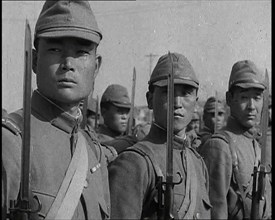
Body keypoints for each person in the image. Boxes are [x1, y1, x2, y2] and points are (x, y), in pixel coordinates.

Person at [2, 1, 110, 219]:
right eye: (54, 49)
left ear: (96, 67)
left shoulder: (93, 150)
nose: (68, 63)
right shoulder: (11, 142)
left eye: (81, 52)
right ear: (34, 60)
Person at [108, 52, 211, 219]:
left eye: (186, 93)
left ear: (196, 100)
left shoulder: (198, 163)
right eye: (167, 92)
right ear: (149, 99)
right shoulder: (134, 163)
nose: (177, 103)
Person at [199, 60, 272, 219]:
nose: (252, 106)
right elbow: (215, 212)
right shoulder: (219, 146)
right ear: (230, 99)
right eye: (244, 97)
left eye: (257, 97)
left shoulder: (255, 145)